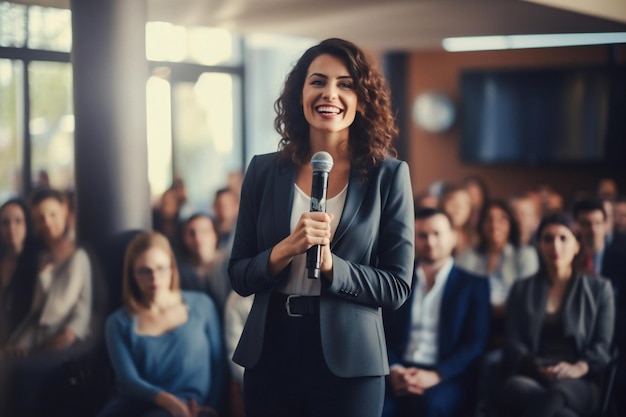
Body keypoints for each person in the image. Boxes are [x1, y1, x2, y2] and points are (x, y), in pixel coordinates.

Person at [228, 38, 414, 417]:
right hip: (271, 352)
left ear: (362, 101)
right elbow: (238, 274)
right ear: (300, 94)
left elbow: (396, 287)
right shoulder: (263, 171)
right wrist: (286, 248)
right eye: (318, 81)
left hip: (352, 361)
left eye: (345, 84)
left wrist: (332, 267)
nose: (330, 93)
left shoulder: (389, 176)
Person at [97, 231, 225, 417]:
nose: (154, 278)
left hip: (194, 406)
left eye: (161, 268)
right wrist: (170, 403)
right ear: (132, 274)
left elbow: (220, 365)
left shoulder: (202, 305)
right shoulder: (118, 322)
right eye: (144, 271)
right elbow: (127, 381)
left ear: (172, 268)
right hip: (138, 406)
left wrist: (214, 406)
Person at [500, 212, 615, 417]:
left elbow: (602, 346)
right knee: (521, 391)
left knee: (557, 393)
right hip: (534, 373)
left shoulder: (599, 289)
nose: (555, 246)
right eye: (548, 238)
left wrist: (579, 367)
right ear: (539, 245)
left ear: (577, 245)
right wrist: (538, 367)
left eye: (563, 238)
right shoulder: (522, 288)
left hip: (580, 379)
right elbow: (513, 341)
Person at [382, 207, 490, 417]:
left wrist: (436, 374)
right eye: (422, 235)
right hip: (399, 371)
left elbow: (476, 342)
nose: (430, 242)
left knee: (430, 407)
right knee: (372, 406)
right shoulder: (395, 281)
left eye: (437, 234)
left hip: (446, 375)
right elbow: (380, 330)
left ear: (453, 237)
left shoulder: (474, 285)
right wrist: (394, 368)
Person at [1, 188, 93, 416]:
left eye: (18, 222)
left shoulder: (73, 256)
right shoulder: (41, 256)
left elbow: (74, 309)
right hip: (27, 335)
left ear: (64, 211)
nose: (47, 223)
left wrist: (71, 332)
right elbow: (36, 310)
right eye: (40, 218)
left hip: (45, 338)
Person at [0, 199, 39, 347]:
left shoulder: (38, 264)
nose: (11, 228)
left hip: (22, 346)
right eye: (5, 222)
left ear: (27, 225)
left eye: (18, 221)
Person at [176, 213, 230, 314]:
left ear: (215, 234)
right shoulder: (180, 272)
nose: (198, 237)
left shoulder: (229, 264)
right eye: (192, 233)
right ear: (184, 238)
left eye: (204, 231)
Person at [438, 183, 475, 257]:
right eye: (453, 203)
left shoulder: (475, 240)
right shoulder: (433, 236)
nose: (458, 209)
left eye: (464, 204)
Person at [212, 187, 240, 252]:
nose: (223, 209)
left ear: (237, 206)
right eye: (219, 204)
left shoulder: (247, 233)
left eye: (227, 204)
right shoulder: (205, 231)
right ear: (214, 206)